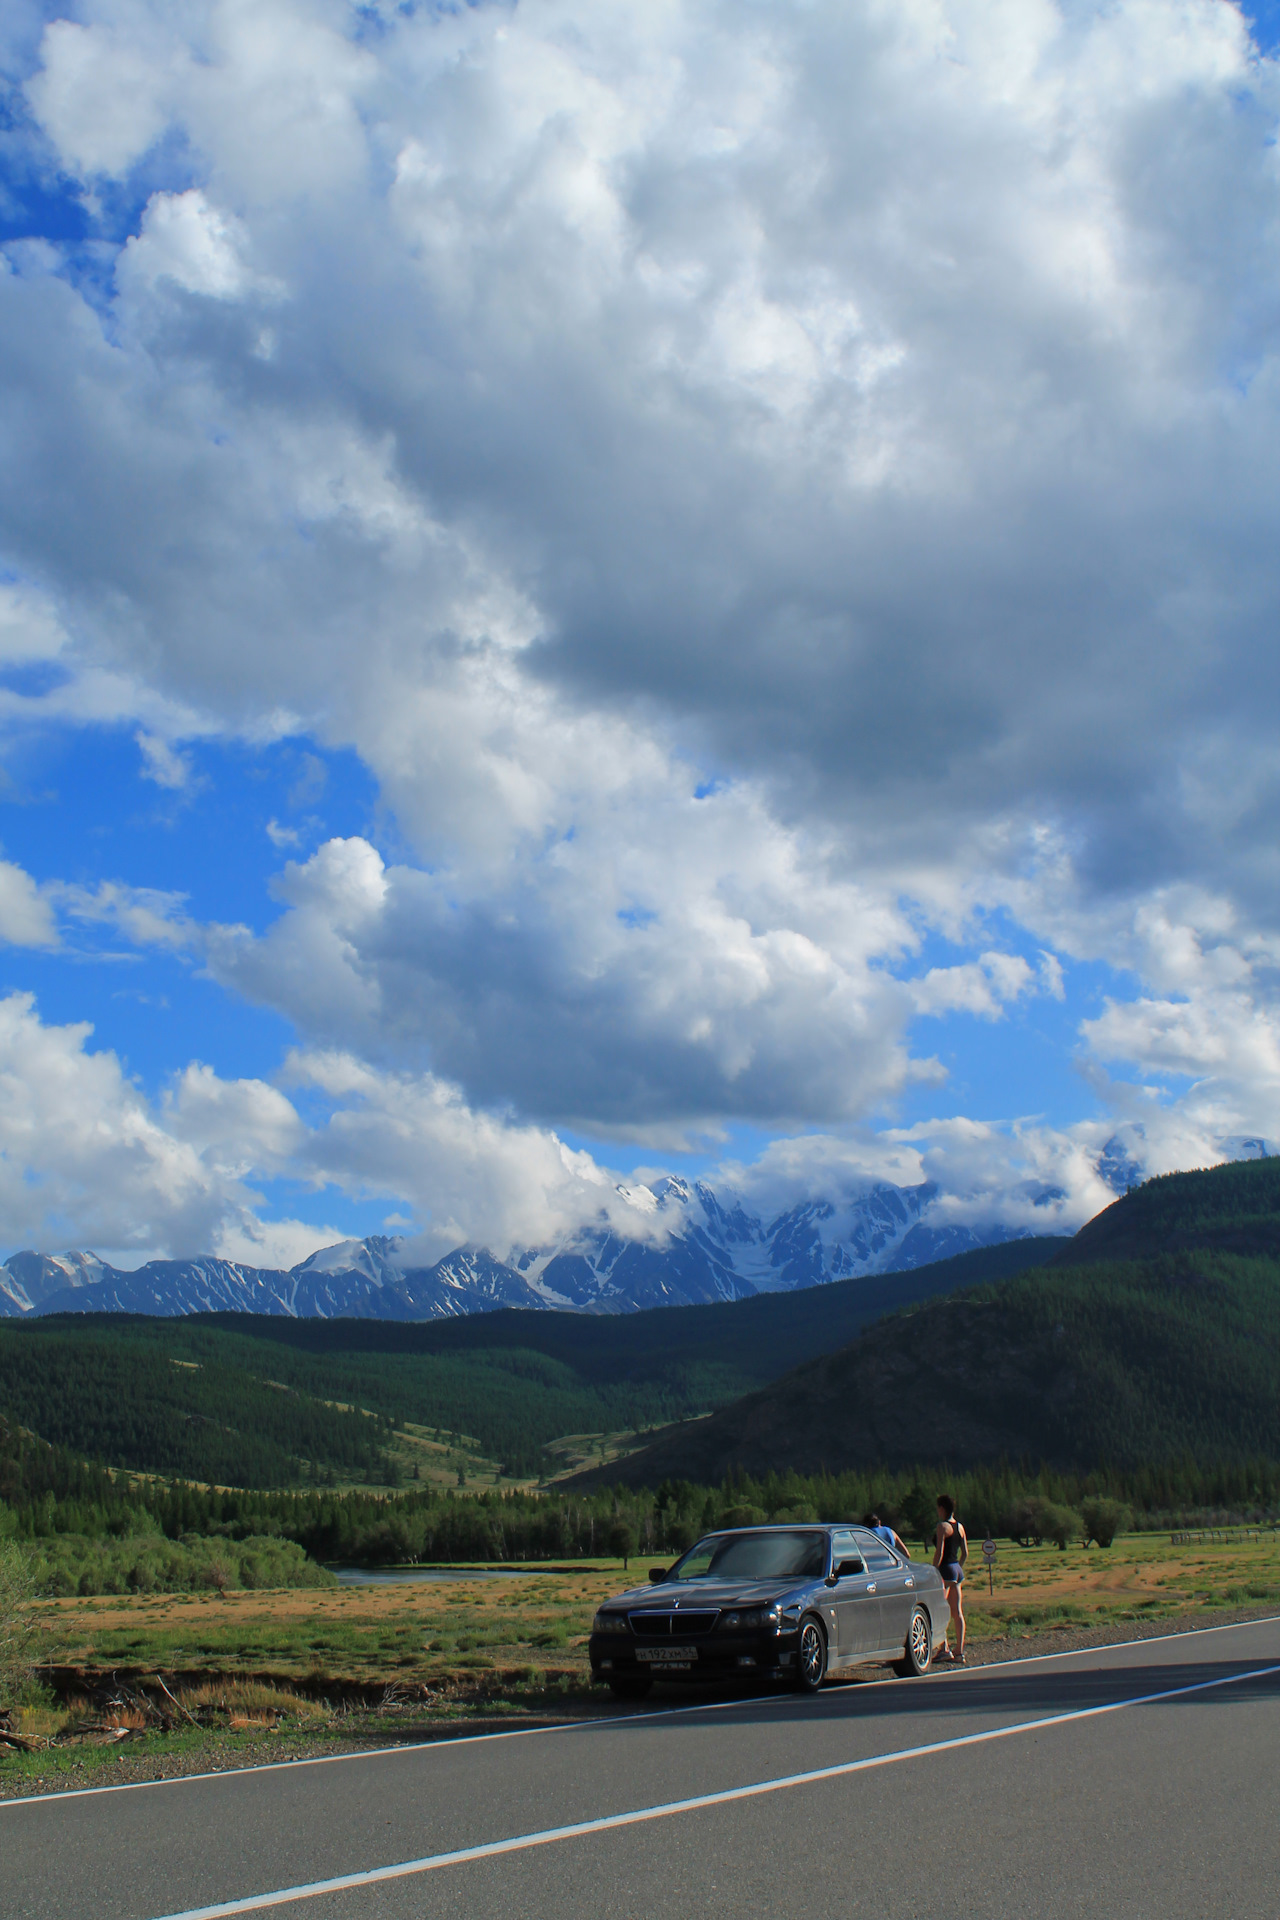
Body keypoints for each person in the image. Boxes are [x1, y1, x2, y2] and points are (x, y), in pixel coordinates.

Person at [932, 1493, 967, 1663]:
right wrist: (958, 1566)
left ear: (942, 1508)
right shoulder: (960, 1527)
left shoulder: (942, 1527)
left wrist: (934, 1570)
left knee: (939, 1610)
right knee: (957, 1612)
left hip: (945, 1569)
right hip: (957, 1570)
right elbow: (965, 1552)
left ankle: (944, 1648)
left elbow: (939, 1552)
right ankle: (959, 1651)